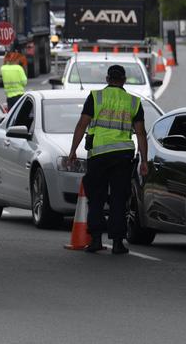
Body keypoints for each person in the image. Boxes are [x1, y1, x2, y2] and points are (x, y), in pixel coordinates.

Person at [67, 65, 148, 255]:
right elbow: (141, 133)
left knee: (96, 197)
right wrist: (144, 160)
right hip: (122, 155)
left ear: (107, 79)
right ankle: (118, 243)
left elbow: (82, 124)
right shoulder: (134, 102)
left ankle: (95, 240)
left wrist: (73, 150)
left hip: (98, 155)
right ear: (124, 80)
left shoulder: (96, 97)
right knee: (119, 198)